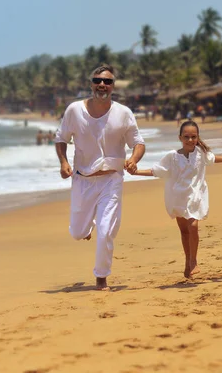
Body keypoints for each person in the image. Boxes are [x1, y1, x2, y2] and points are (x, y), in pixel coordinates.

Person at [55, 64, 146, 291]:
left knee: (106, 231)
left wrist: (134, 159)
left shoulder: (123, 113)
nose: (102, 85)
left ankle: (101, 277)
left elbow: (138, 143)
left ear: (113, 86)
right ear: (91, 84)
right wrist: (64, 162)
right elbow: (61, 139)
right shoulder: (75, 110)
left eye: (107, 81)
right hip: (82, 178)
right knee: (77, 233)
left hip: (111, 179)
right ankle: (88, 226)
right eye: (97, 81)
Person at [131, 121, 222, 278]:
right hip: (178, 197)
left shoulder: (201, 154)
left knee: (193, 226)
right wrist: (135, 172)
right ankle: (188, 262)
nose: (190, 140)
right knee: (184, 232)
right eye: (186, 137)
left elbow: (213, 159)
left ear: (197, 137)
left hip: (196, 197)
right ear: (180, 138)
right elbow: (156, 171)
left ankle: (193, 261)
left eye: (193, 137)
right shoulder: (172, 157)